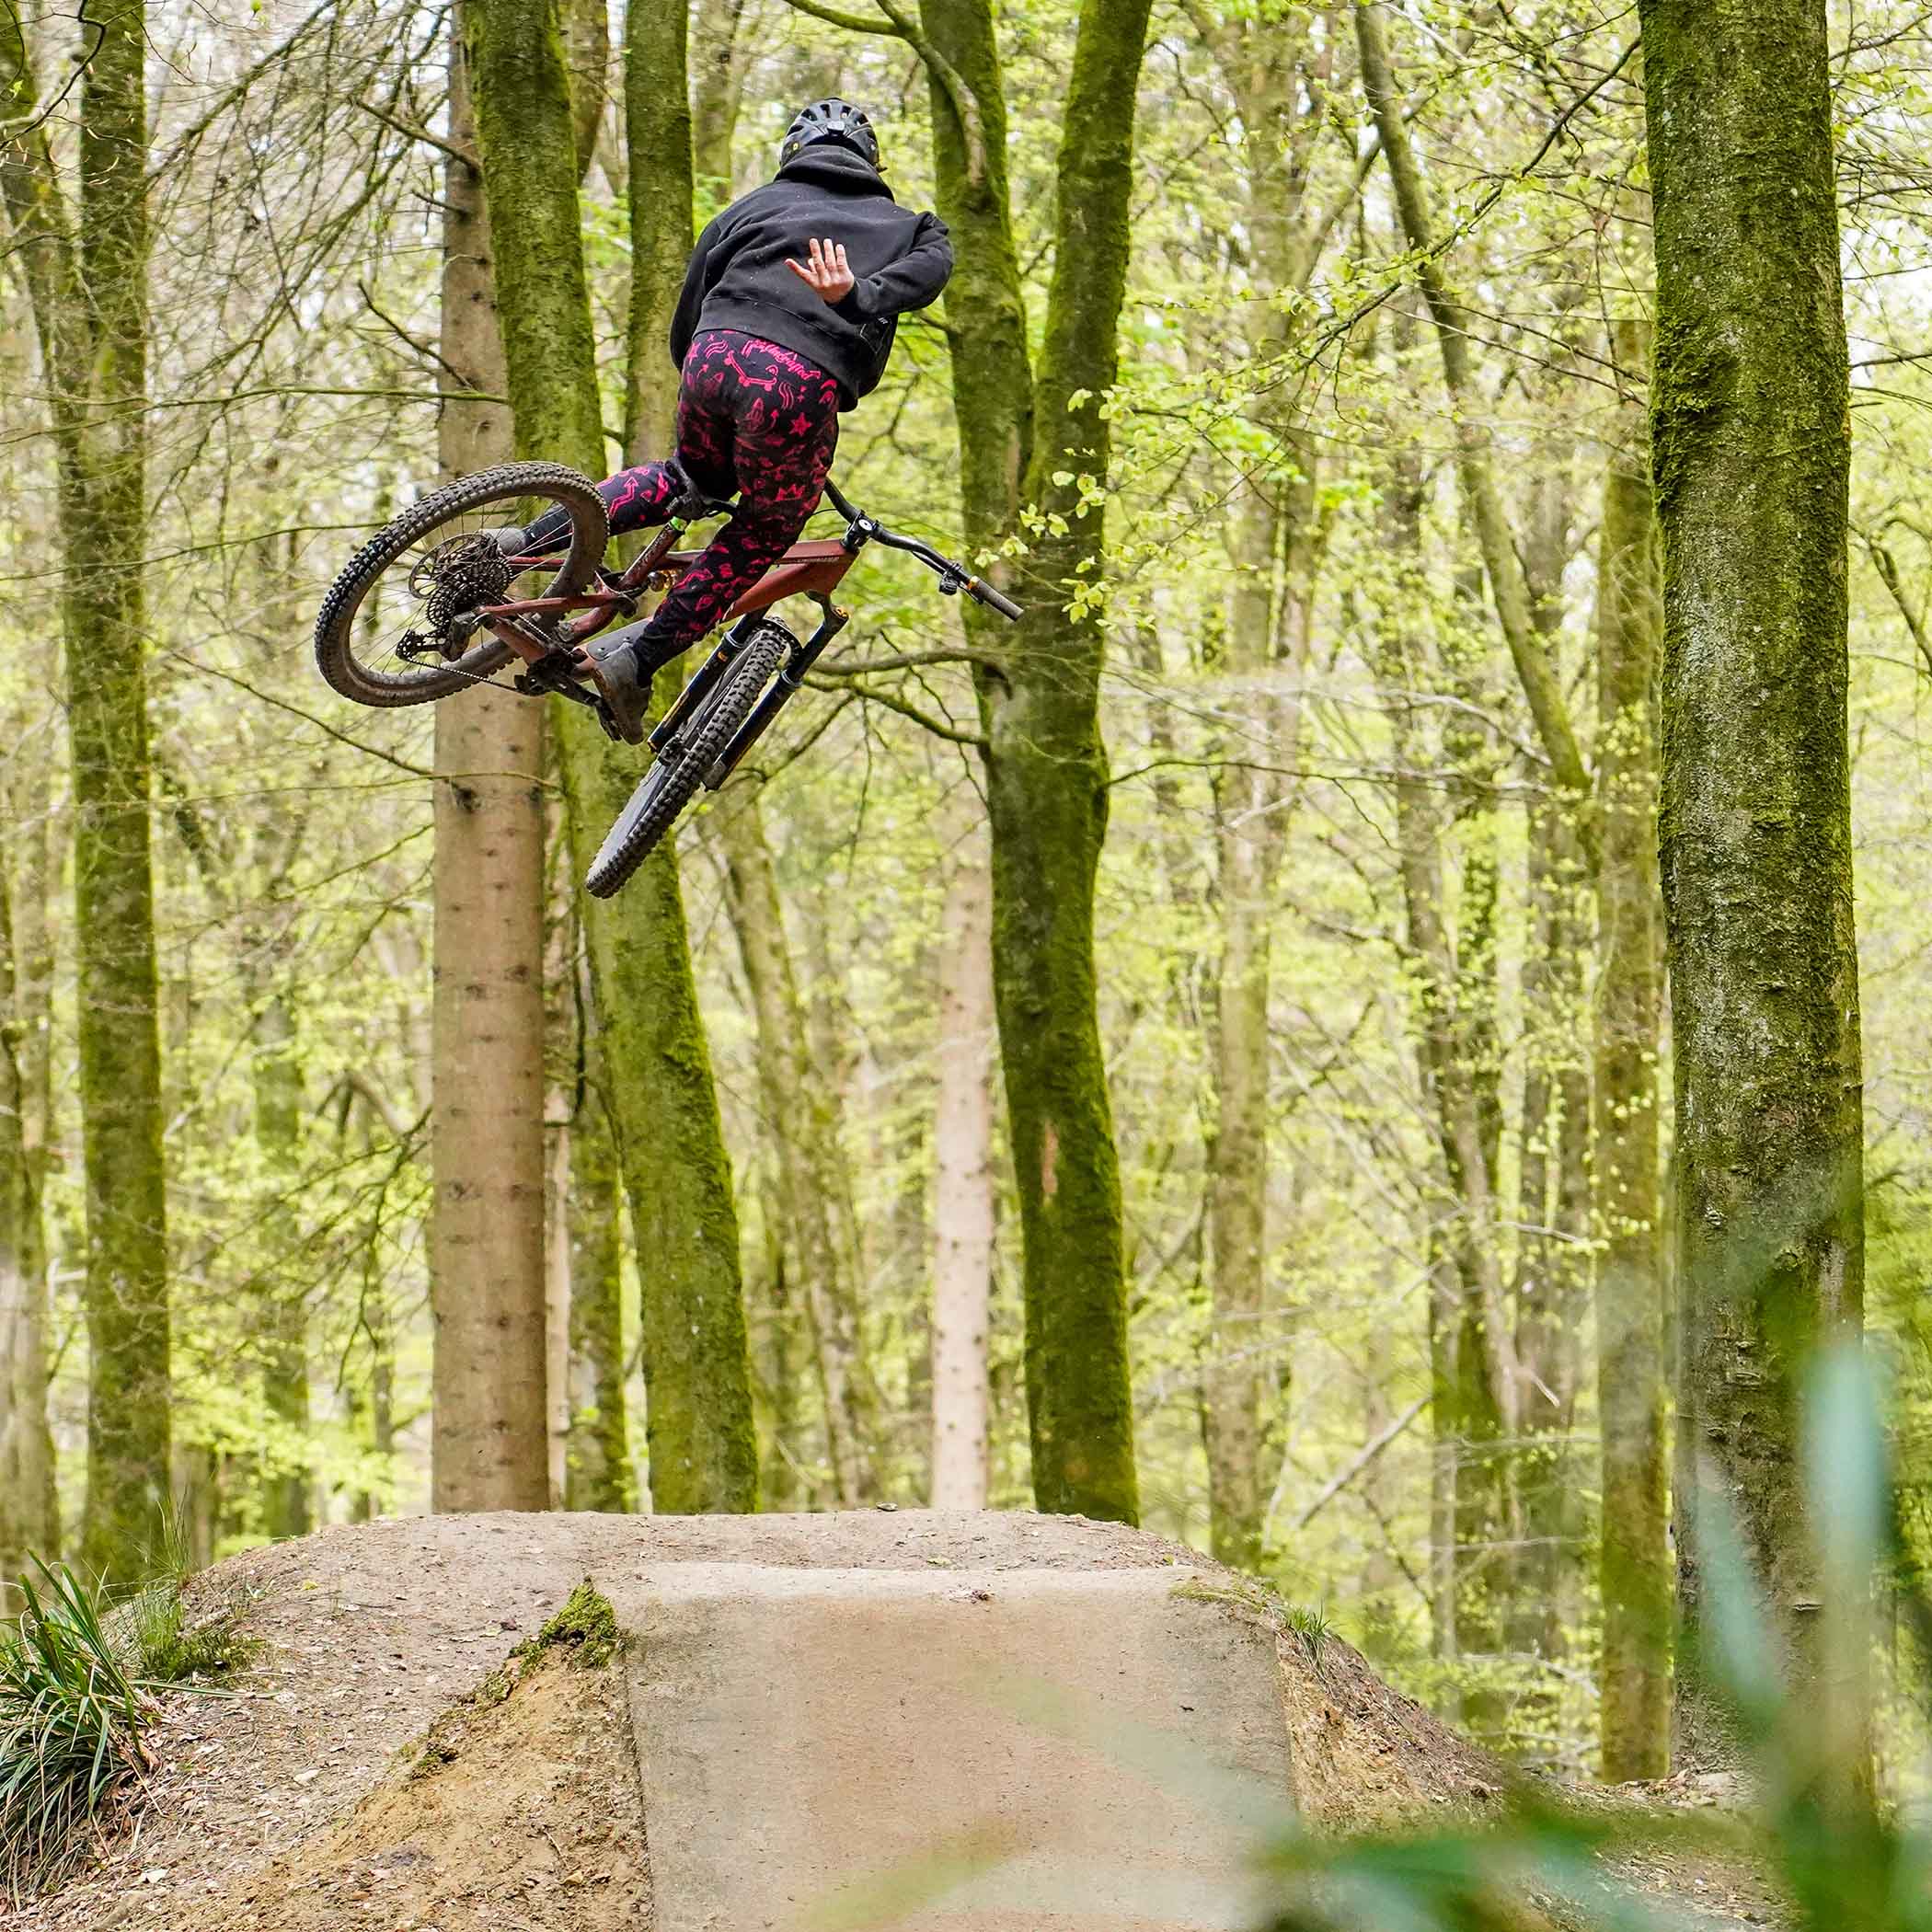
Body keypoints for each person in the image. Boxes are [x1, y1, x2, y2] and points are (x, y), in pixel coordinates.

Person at [497, 98, 952, 742]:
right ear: (873, 162)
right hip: (798, 381)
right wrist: (858, 297)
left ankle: (520, 546)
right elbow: (931, 272)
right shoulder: (911, 225)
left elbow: (693, 299)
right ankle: (635, 660)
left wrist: (700, 370)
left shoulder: (748, 208)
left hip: (714, 352)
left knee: (687, 475)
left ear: (790, 155)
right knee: (764, 528)